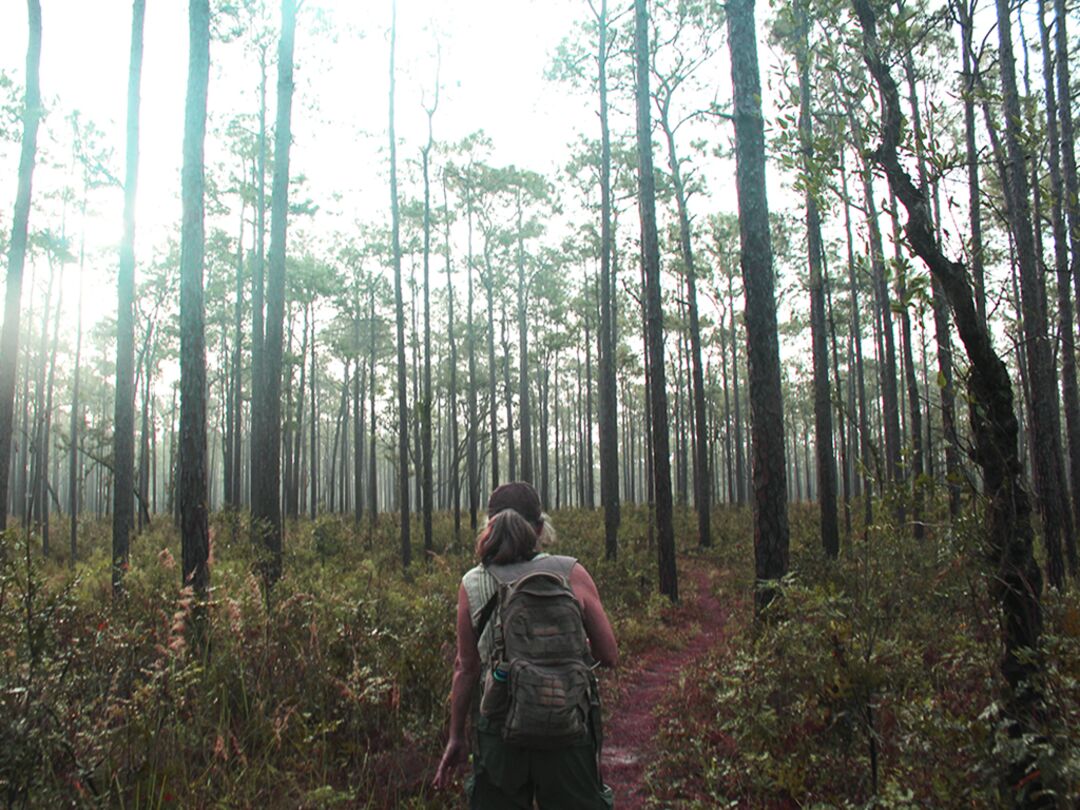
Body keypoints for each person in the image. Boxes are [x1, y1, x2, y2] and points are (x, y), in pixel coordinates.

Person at [433, 481, 618, 809]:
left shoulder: (472, 582)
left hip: (500, 727)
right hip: (567, 720)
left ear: (490, 527)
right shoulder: (571, 572)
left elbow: (466, 668)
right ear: (539, 527)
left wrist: (456, 736)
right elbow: (609, 655)